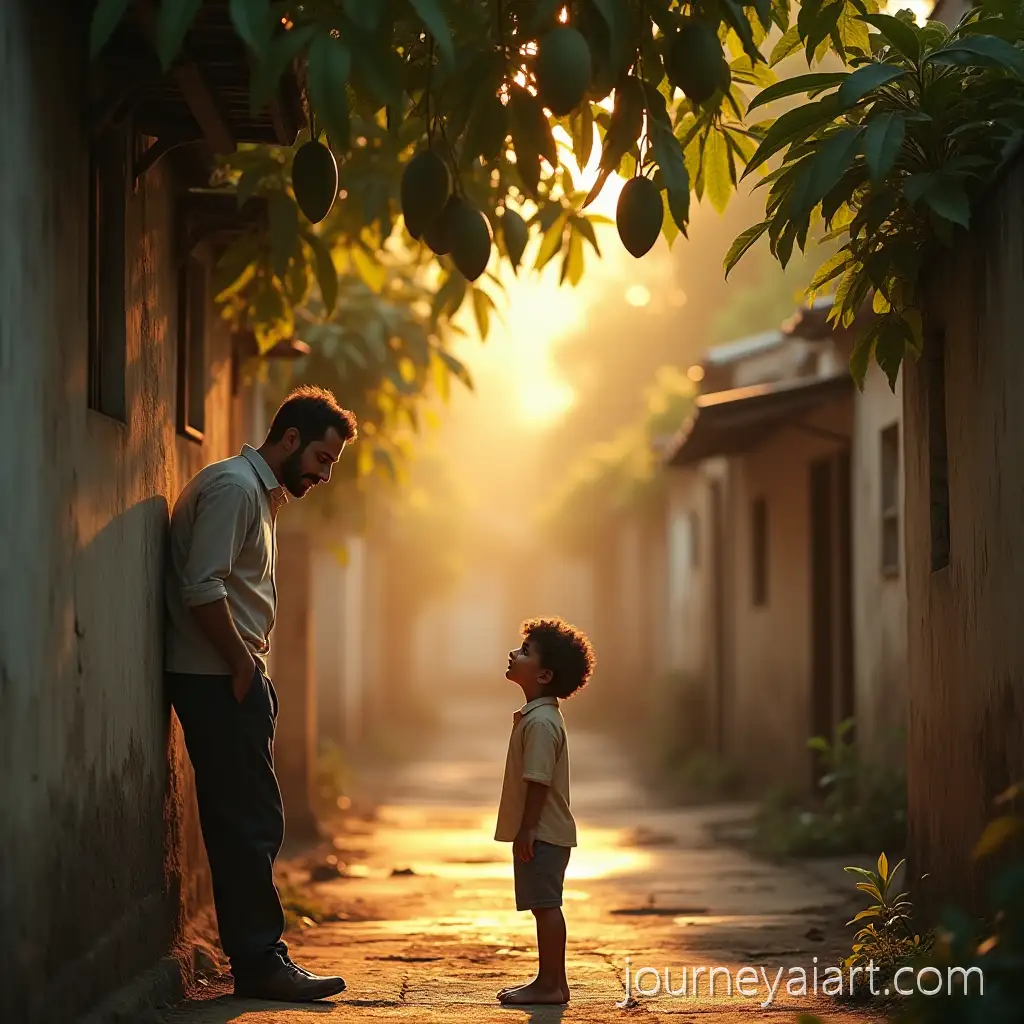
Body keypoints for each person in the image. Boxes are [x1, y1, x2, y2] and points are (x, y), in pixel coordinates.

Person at [164, 385, 356, 1002]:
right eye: (322, 460)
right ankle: (258, 962)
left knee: (253, 820)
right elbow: (203, 586)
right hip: (218, 677)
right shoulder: (233, 489)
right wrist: (242, 665)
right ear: (291, 438)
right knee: (246, 824)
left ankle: (260, 956)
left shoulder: (257, 495)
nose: (324, 475)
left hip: (233, 675)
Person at [494, 617, 596, 1006]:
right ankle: (551, 981)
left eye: (525, 652)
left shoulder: (540, 722)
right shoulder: (540, 717)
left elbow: (538, 780)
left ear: (544, 674)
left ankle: (550, 984)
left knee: (546, 906)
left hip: (543, 832)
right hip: (545, 831)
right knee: (543, 906)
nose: (514, 653)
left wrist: (528, 828)